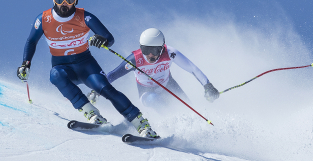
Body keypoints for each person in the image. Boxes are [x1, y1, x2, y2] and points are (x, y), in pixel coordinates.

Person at [17, 0, 158, 138]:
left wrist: (102, 40)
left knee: (106, 90)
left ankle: (142, 125)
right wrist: (25, 64)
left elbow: (109, 38)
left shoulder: (84, 17)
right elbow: (31, 41)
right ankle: (93, 115)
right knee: (55, 75)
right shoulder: (43, 19)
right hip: (63, 68)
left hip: (86, 67)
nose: (65, 4)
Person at [87, 28, 220, 110]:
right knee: (154, 101)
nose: (150, 55)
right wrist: (96, 91)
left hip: (169, 86)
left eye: (155, 50)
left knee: (189, 109)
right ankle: (169, 128)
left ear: (162, 47)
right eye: (146, 49)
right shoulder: (135, 59)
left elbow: (193, 69)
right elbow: (112, 75)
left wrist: (208, 86)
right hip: (146, 92)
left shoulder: (170, 52)